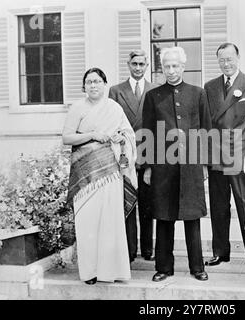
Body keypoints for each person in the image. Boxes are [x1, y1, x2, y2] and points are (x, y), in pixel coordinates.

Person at [142, 46, 211, 282]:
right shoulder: (153, 96)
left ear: (183, 66)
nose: (171, 71)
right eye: (166, 66)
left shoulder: (198, 93)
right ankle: (164, 267)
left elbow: (205, 131)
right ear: (162, 68)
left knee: (192, 217)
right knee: (164, 216)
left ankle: (197, 267)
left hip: (191, 164)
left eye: (175, 66)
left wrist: (204, 164)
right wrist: (149, 166)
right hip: (163, 165)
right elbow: (147, 132)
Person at [63, 67, 137, 285]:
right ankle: (89, 272)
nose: (93, 85)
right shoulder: (78, 107)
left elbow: (129, 134)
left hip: (110, 171)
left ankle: (111, 271)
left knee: (110, 222)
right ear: (84, 86)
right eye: (89, 82)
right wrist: (92, 135)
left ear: (105, 84)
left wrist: (119, 138)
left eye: (97, 81)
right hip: (85, 174)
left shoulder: (114, 108)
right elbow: (67, 138)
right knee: (88, 221)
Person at [204, 43, 245, 268]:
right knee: (218, 206)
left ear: (238, 58)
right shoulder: (209, 87)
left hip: (240, 154)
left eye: (230, 59)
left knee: (244, 204)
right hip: (217, 155)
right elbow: (208, 122)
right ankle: (221, 252)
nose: (226, 64)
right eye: (222, 60)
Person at [109, 50, 157, 262]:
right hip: (124, 155)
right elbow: (111, 123)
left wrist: (152, 162)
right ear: (128, 64)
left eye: (142, 64)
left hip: (147, 154)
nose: (138, 68)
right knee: (127, 204)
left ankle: (148, 249)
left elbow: (158, 127)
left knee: (147, 205)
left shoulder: (155, 89)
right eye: (134, 64)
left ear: (147, 66)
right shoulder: (116, 91)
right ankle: (129, 250)